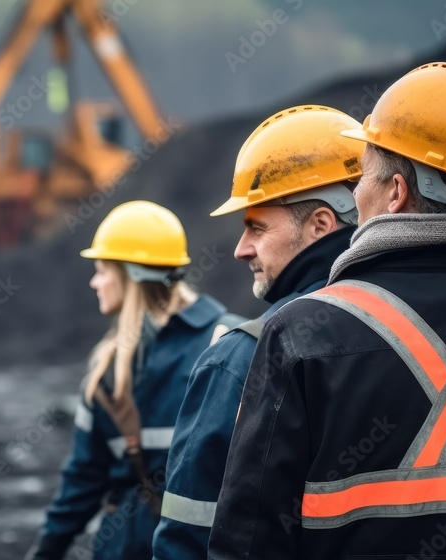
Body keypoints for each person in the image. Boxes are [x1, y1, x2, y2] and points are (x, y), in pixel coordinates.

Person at [209, 62, 446, 559]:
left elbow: (248, 540)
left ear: (395, 192)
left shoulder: (300, 334)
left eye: (364, 175)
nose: (356, 194)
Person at [152, 105, 364, 560]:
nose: (240, 249)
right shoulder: (425, 334)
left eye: (256, 227)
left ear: (321, 225)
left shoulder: (242, 357)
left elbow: (190, 536)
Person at [26, 200, 245, 560]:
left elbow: (82, 481)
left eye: (101, 269)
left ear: (131, 274)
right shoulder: (232, 339)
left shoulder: (110, 368)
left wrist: (45, 551)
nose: (95, 281)